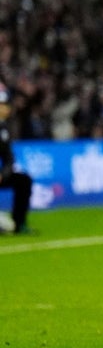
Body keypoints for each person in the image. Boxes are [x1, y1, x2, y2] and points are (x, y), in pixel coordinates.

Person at [0, 84, 34, 236]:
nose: (5, 109)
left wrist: (3, 174)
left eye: (6, 105)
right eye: (2, 105)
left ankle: (19, 223)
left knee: (23, 180)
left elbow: (9, 158)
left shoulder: (4, 129)